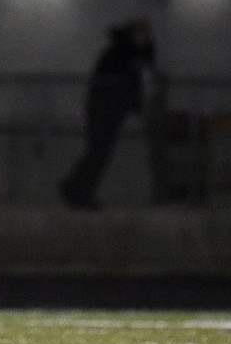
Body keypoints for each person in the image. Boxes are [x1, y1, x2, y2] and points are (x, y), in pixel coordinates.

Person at [59, 17, 160, 210]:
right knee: (98, 151)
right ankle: (77, 189)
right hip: (104, 108)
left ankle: (78, 189)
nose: (143, 38)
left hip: (113, 109)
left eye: (145, 34)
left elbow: (137, 82)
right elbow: (114, 82)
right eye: (140, 34)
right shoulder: (119, 53)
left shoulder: (135, 55)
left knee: (100, 153)